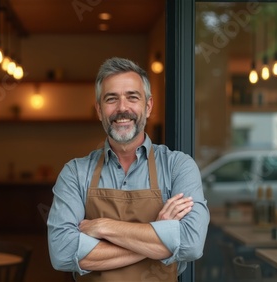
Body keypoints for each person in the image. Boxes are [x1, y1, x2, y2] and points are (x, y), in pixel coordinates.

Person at [47, 57, 209, 281]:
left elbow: (191, 244)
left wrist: (104, 227)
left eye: (132, 97)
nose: (122, 108)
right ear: (99, 110)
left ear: (148, 106)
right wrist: (160, 235)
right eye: (111, 99)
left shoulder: (178, 166)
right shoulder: (75, 173)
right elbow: (62, 253)